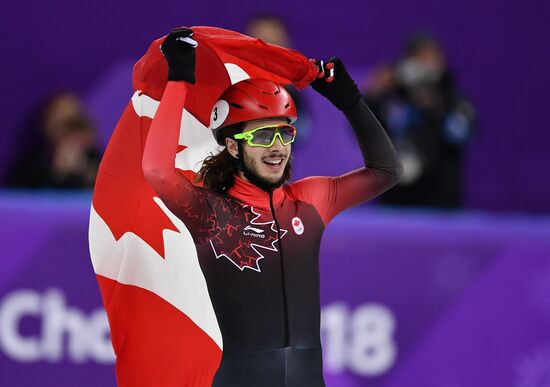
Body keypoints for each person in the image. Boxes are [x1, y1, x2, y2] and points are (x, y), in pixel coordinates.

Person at [142, 28, 401, 386]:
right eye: (263, 136)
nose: (277, 146)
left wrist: (350, 100)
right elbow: (157, 169)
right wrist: (179, 79)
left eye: (285, 133)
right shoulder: (210, 213)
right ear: (234, 147)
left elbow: (387, 171)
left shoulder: (310, 200)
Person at [365, 34, 475, 208]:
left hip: (441, 205)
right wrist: (372, 95)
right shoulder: (393, 102)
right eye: (417, 62)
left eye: (430, 62)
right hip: (396, 204)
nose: (423, 71)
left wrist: (435, 107)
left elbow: (458, 135)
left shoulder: (456, 103)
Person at [6, 91, 100, 188]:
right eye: (65, 124)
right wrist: (57, 175)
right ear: (46, 126)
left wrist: (84, 173)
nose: (71, 131)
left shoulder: (99, 164)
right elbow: (18, 198)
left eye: (77, 123)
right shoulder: (28, 169)